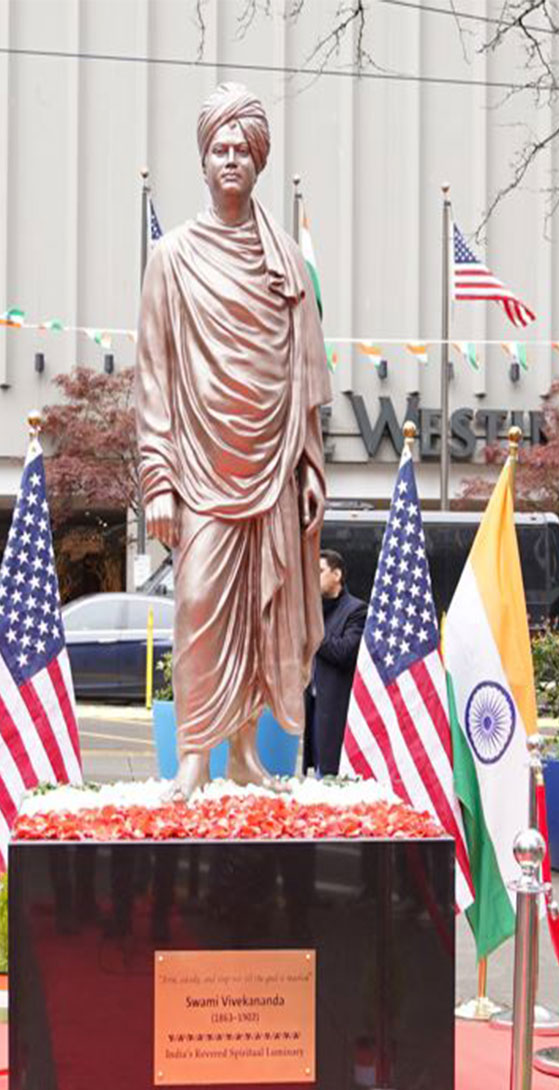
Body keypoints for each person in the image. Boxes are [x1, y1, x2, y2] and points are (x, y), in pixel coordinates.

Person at [135, 82, 329, 799]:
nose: (230, 161)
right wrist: (157, 478)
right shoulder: (173, 259)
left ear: (258, 163)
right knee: (198, 607)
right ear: (203, 159)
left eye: (242, 151)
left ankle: (245, 754)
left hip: (276, 461)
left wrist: (309, 461)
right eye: (219, 149)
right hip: (200, 470)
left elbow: (303, 368)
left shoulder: (285, 259)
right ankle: (194, 756)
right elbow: (152, 378)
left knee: (262, 610)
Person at [303, 550, 368, 776]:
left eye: (319, 571)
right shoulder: (313, 611)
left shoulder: (357, 611)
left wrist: (313, 632)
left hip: (338, 718)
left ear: (337, 574)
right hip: (313, 713)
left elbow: (344, 653)